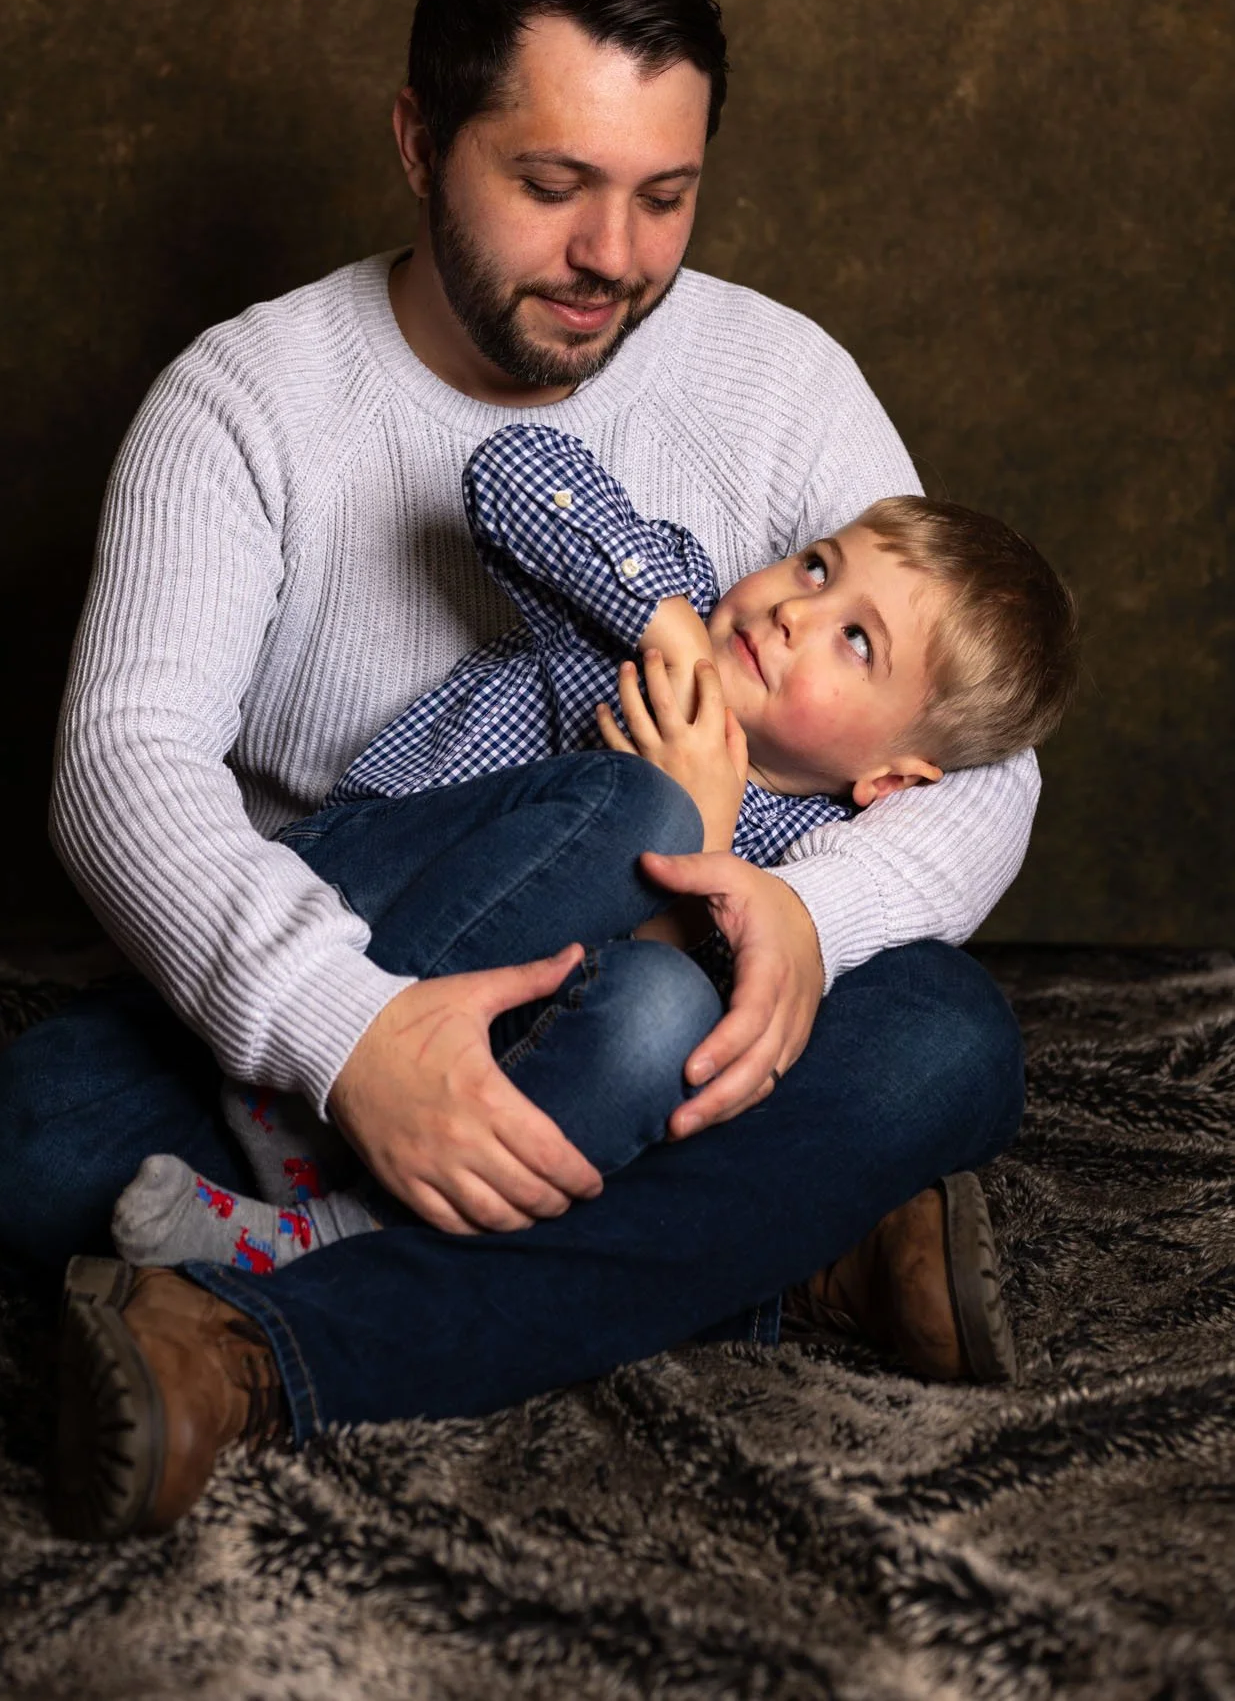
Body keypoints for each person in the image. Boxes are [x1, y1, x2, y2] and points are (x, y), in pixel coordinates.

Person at [0, 0, 1042, 1541]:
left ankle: (255, 1351)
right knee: (34, 1146)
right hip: (332, 958)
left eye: (663, 196)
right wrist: (350, 1036)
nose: (612, 253)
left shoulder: (780, 374)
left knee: (951, 1045)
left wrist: (804, 919)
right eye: (550, 187)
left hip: (619, 1020)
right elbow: (124, 769)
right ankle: (771, 1251)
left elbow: (982, 753)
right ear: (416, 140)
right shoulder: (243, 400)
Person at [107, 425, 1076, 1280]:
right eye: (816, 569)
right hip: (360, 908)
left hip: (496, 1055)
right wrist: (667, 629)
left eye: (855, 642)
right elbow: (512, 471)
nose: (794, 612)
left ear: (889, 781)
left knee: (665, 1010)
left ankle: (336, 1232)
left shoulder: (803, 863)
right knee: (640, 810)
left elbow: (672, 1024)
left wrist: (709, 847)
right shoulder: (647, 627)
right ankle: (290, 1095)